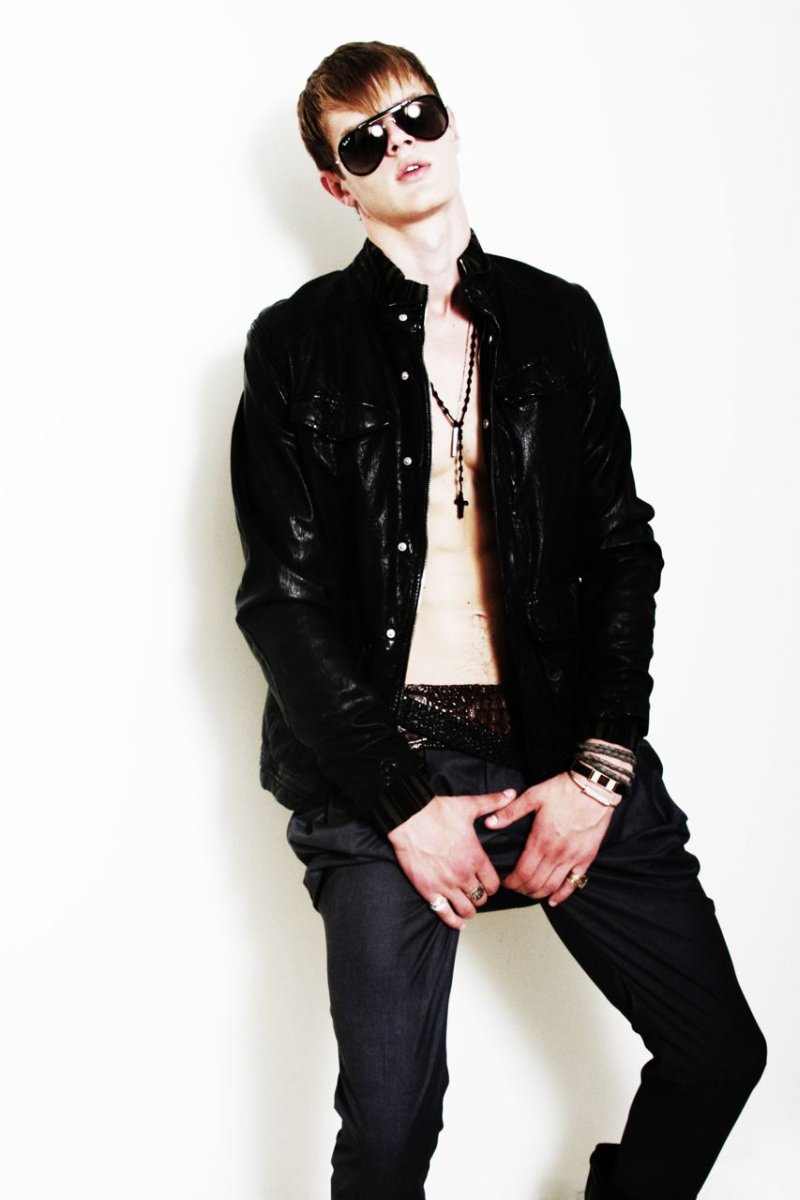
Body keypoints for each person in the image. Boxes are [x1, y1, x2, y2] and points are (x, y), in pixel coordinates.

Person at [231, 40, 766, 1200]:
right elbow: (281, 602)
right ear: (335, 183)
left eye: (415, 116)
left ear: (450, 123)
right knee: (388, 1132)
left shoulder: (557, 321)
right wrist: (400, 804)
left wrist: (601, 767)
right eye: (364, 141)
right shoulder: (296, 346)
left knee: (718, 1055)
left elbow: (620, 551)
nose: (401, 146)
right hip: (383, 760)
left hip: (560, 742)